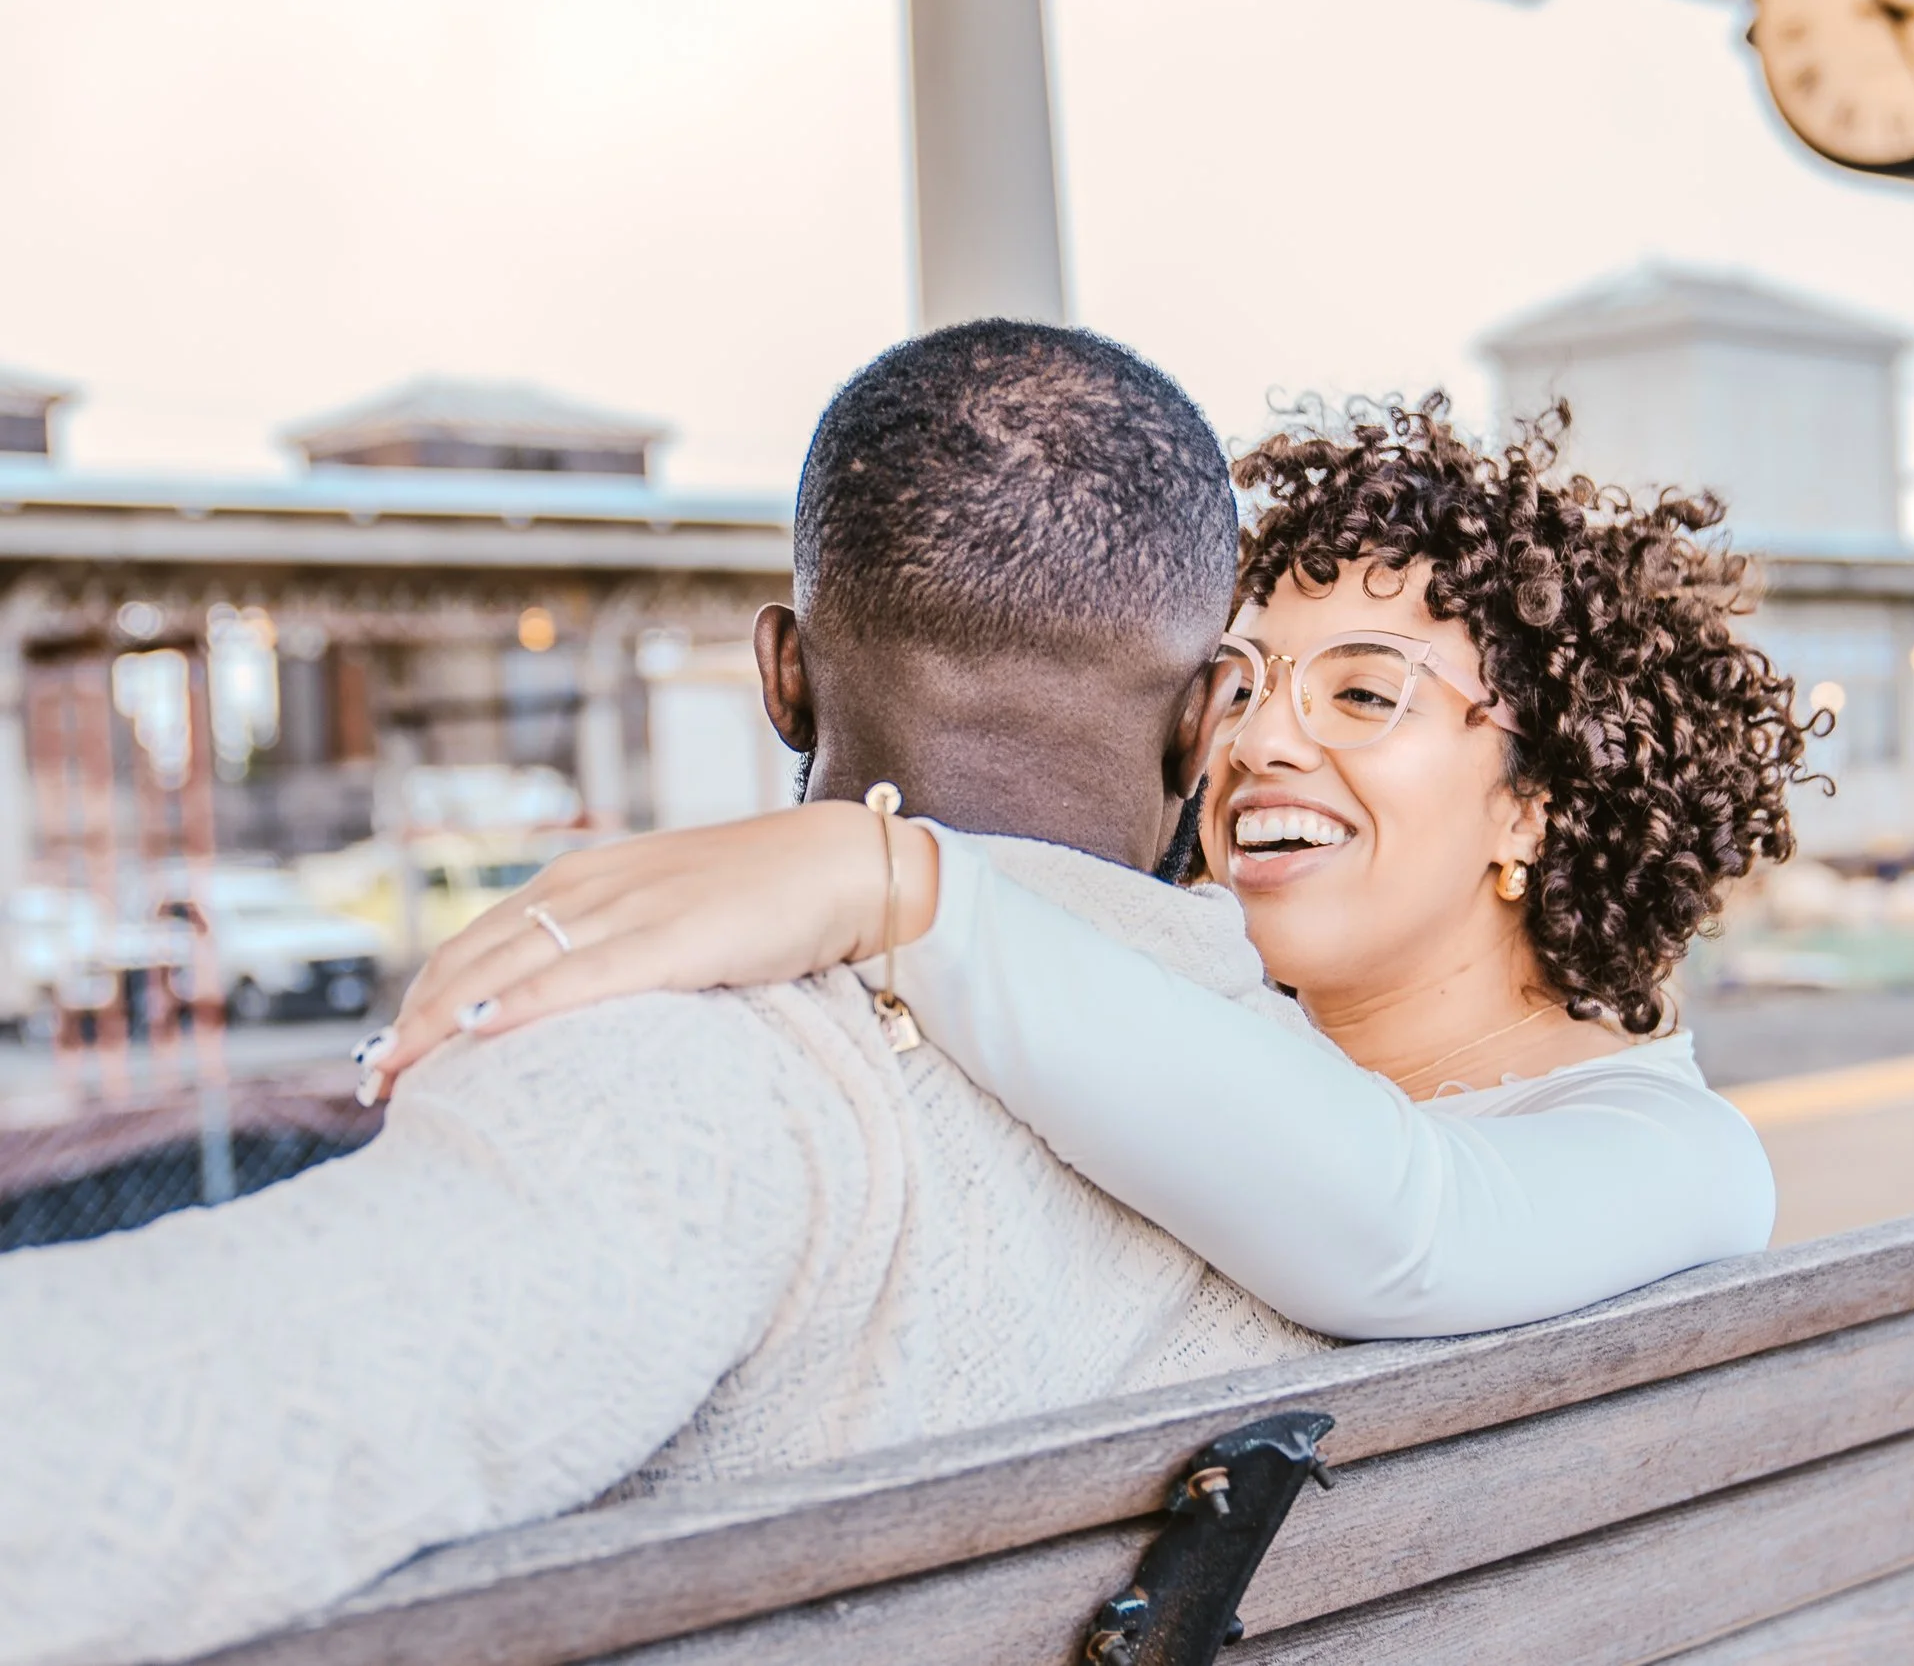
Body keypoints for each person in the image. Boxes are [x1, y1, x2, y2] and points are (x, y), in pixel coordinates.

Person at [0, 323, 1339, 1666]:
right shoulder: (1358, 1112)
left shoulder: (716, 1089)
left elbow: (139, 1452)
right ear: (1210, 711)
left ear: (784, 676)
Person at [372, 395, 1810, 1340]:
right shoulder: (1163, 1026)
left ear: (1540, 805)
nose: (1259, 745)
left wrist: (893, 878)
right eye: (1239, 684)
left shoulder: (1680, 1158)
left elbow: (1409, 1229)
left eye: (1365, 695)